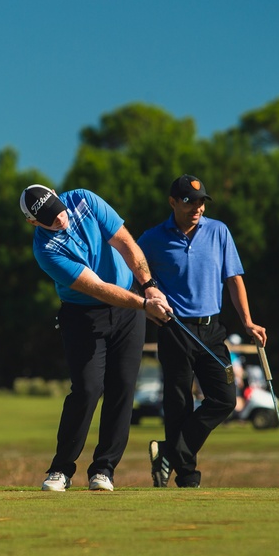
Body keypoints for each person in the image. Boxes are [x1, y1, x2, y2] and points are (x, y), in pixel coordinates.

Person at [20, 184, 172, 492]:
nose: (59, 218)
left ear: (57, 195)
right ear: (33, 223)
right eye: (49, 218)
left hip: (129, 309)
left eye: (57, 209)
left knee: (123, 389)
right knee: (88, 389)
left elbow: (125, 241)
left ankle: (104, 469)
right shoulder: (46, 250)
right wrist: (145, 304)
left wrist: (149, 285)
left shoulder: (83, 200)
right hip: (83, 317)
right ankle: (61, 469)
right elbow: (98, 287)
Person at [137, 174, 268, 488]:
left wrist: (247, 321)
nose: (197, 208)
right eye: (189, 201)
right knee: (178, 403)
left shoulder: (219, 231)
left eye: (201, 202)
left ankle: (169, 451)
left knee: (224, 399)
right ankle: (187, 476)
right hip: (175, 329)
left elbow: (234, 279)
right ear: (172, 202)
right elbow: (135, 274)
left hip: (212, 330)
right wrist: (146, 302)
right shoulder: (153, 238)